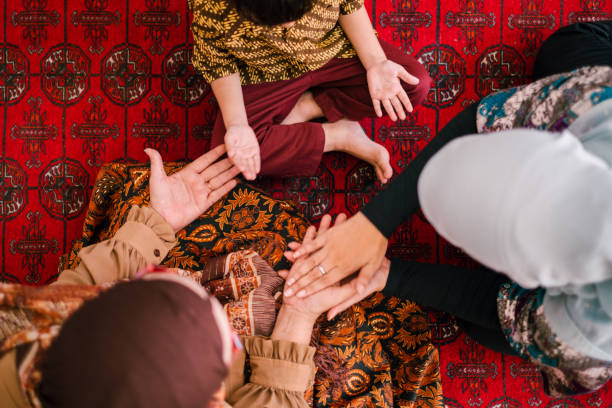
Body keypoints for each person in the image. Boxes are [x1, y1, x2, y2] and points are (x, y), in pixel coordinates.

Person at [282, 21, 612, 396]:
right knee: (567, 48)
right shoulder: (599, 100)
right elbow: (479, 119)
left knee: (485, 328)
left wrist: (388, 276)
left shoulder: (584, 336)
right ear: (559, 143)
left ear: (541, 276)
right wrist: (373, 223)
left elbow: (494, 307)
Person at [0, 145, 366, 408]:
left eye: (151, 277)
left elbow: (76, 284)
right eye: (229, 342)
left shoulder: (22, 328)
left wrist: (157, 221)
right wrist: (298, 313)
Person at [189, 0, 432, 182]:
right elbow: (218, 64)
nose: (290, 26)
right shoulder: (208, 5)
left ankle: (311, 105)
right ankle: (339, 135)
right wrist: (238, 124)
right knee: (227, 157)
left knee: (413, 85)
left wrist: (376, 63)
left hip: (332, 48)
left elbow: (349, 3)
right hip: (264, 72)